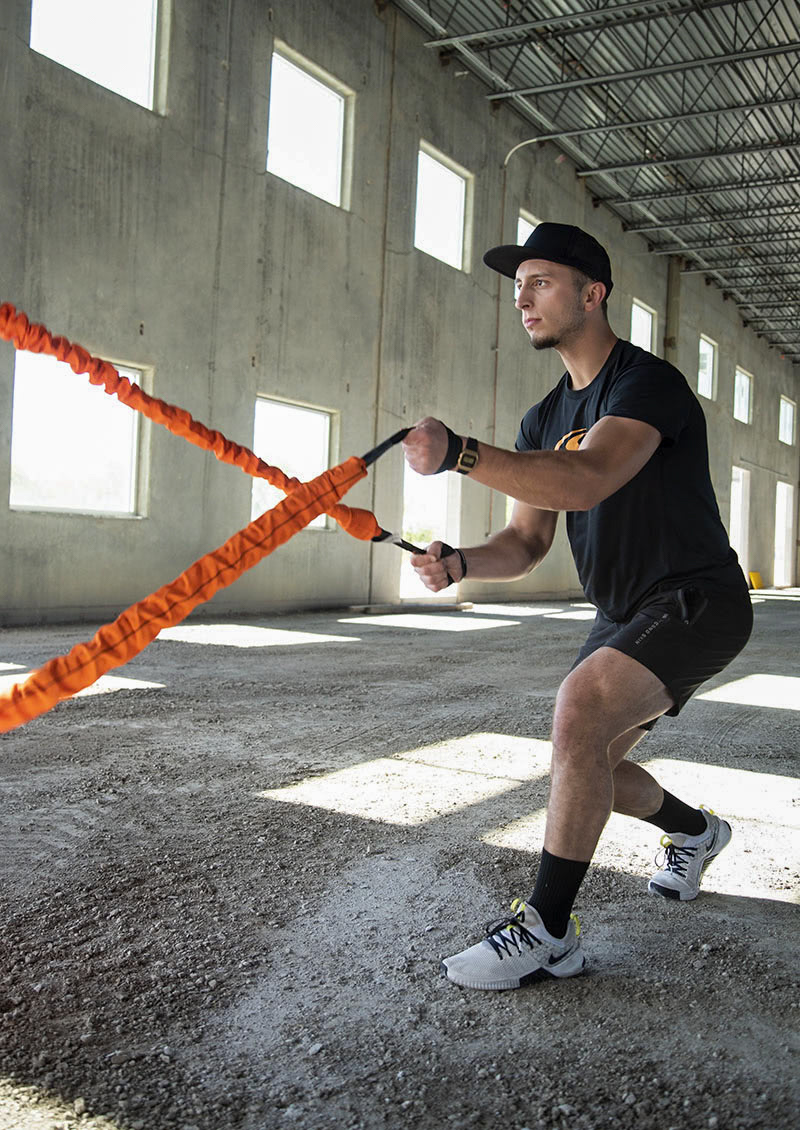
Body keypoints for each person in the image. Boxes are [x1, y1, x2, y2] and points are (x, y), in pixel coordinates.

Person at [401, 222, 752, 992]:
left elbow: (590, 478)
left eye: (541, 282)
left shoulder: (645, 384)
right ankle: (697, 833)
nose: (521, 297)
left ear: (593, 295)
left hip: (697, 596)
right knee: (585, 760)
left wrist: (462, 452)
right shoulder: (542, 418)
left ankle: (548, 931)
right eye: (517, 284)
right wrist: (460, 561)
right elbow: (526, 544)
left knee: (577, 711)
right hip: (623, 610)